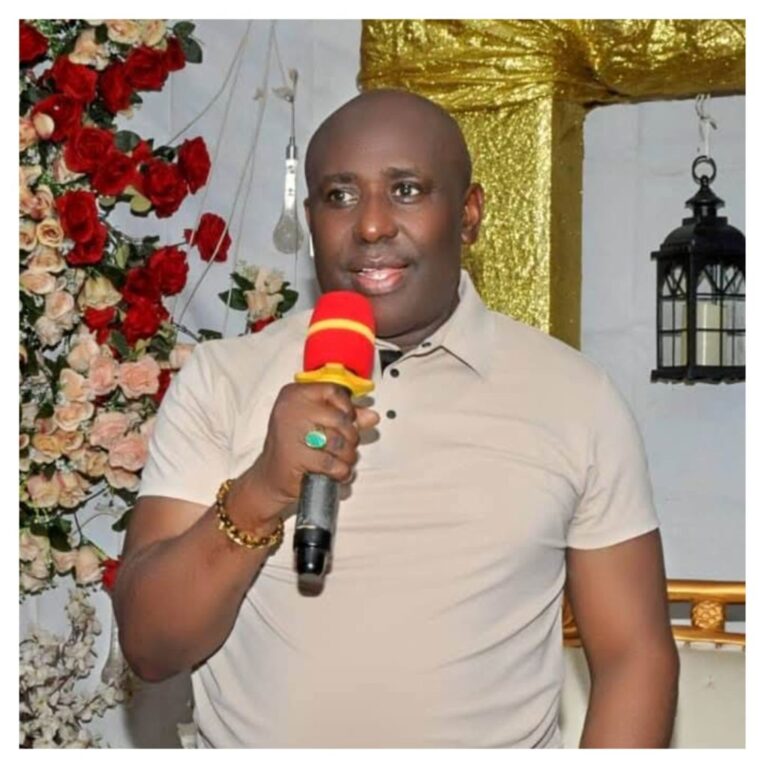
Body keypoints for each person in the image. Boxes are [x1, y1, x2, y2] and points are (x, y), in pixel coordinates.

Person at [114, 89, 679, 748]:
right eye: (340, 195)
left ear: (468, 215)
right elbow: (150, 647)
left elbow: (635, 655)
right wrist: (261, 491)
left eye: (407, 190)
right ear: (312, 218)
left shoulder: (577, 397)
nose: (373, 226)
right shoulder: (223, 381)